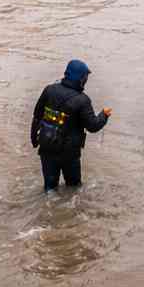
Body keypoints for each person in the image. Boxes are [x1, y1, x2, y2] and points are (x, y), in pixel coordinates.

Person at [30, 59, 111, 192]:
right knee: (74, 188)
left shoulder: (49, 90)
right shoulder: (82, 100)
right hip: (69, 153)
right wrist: (104, 114)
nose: (86, 80)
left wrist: (34, 138)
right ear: (81, 79)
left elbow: (37, 116)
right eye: (85, 77)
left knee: (49, 189)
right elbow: (93, 126)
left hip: (47, 147)